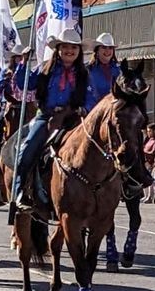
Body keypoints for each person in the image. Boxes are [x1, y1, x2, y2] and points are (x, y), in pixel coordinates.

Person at [9, 30, 94, 212]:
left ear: (79, 51)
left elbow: (90, 97)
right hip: (46, 116)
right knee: (28, 148)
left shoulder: (84, 74)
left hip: (72, 118)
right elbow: (27, 84)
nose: (69, 51)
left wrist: (83, 108)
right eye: (65, 47)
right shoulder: (44, 69)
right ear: (58, 49)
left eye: (73, 47)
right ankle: (20, 191)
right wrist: (24, 62)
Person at [86, 33, 121, 105]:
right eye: (104, 47)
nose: (107, 51)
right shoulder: (88, 70)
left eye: (110, 48)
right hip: (94, 111)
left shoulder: (120, 70)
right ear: (97, 50)